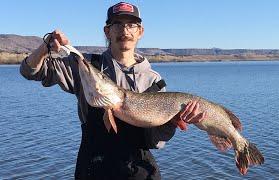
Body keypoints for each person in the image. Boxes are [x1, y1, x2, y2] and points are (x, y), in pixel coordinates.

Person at [20, 2, 206, 179]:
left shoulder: (154, 81)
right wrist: (46, 46)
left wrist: (172, 123)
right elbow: (29, 71)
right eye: (117, 24)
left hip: (138, 171)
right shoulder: (86, 67)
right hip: (93, 169)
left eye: (131, 25)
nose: (124, 31)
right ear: (107, 31)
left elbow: (155, 142)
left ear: (140, 31)